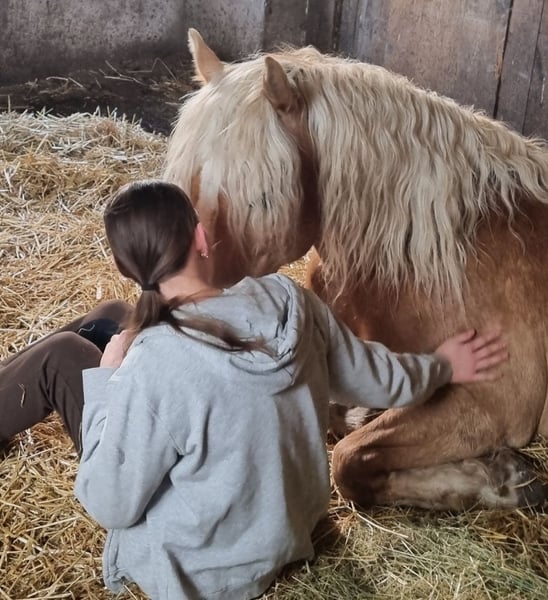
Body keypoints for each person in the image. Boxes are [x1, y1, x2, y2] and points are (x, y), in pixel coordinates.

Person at [0, 180, 508, 600]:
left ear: (126, 268)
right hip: (284, 532)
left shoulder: (154, 365)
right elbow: (375, 376)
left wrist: (107, 381)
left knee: (63, 355)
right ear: (202, 239)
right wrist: (443, 366)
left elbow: (111, 503)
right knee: (113, 315)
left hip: (205, 569)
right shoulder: (290, 300)